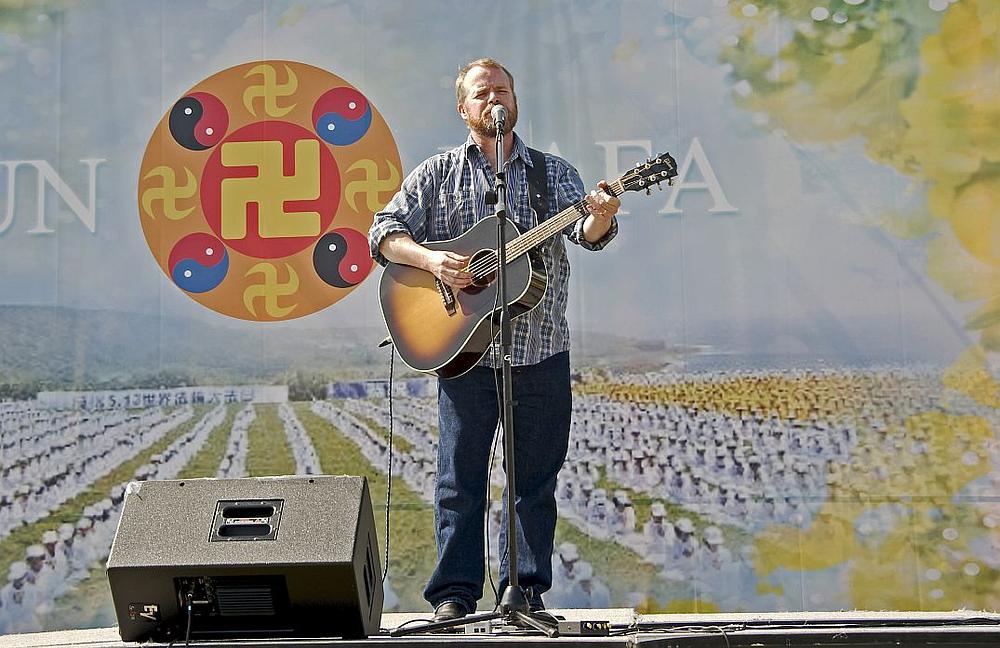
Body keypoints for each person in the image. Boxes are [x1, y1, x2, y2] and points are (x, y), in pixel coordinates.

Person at [368, 57, 620, 622]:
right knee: (460, 479)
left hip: (541, 353)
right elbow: (383, 232)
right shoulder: (436, 174)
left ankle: (523, 591)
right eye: (482, 93)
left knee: (534, 480)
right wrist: (434, 261)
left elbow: (587, 235)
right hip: (463, 354)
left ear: (515, 99)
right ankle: (454, 594)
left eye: (502, 90)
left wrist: (602, 214)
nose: (494, 99)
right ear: (464, 109)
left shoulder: (551, 174)